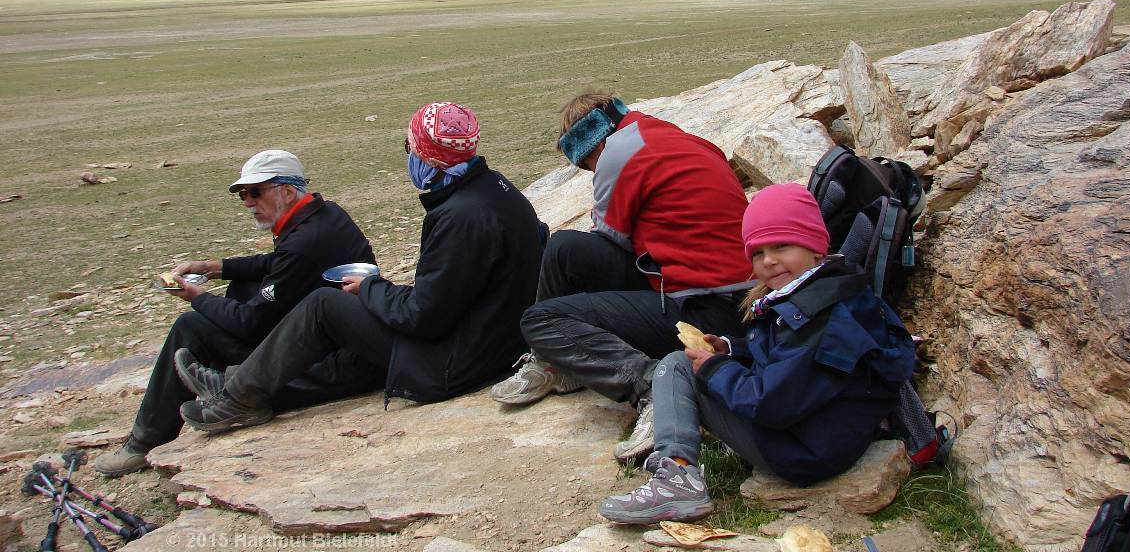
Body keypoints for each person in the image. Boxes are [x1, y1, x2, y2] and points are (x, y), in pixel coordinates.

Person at [176, 102, 544, 432]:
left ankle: (238, 398)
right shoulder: (495, 188)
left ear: (428, 157)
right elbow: (452, 293)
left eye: (409, 148)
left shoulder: (459, 217)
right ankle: (238, 384)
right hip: (488, 343)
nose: (408, 158)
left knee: (325, 306)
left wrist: (371, 288)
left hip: (457, 362)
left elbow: (424, 317)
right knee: (356, 344)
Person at [598, 183, 917, 524]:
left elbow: (771, 403)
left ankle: (678, 478)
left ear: (814, 245)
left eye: (782, 245)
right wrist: (732, 349)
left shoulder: (818, 320)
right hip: (818, 434)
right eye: (757, 253)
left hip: (802, 451)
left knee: (677, 367)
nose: (768, 261)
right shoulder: (829, 292)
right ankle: (678, 469)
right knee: (685, 364)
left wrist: (715, 370)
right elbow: (788, 361)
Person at [491, 92, 752, 462]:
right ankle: (552, 361)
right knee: (564, 247)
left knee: (541, 319)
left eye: (585, 164)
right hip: (734, 296)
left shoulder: (618, 153)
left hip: (703, 309)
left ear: (589, 143)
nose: (591, 172)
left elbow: (611, 234)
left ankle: (651, 389)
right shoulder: (667, 135)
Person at [94, 150, 376, 477]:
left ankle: (146, 441)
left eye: (255, 192)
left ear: (286, 191)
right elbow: (279, 264)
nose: (247, 201)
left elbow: (249, 321)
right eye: (243, 194)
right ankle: (226, 385)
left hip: (330, 362)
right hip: (333, 341)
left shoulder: (305, 238)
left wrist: (194, 296)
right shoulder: (323, 215)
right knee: (242, 288)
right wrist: (217, 268)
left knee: (192, 325)